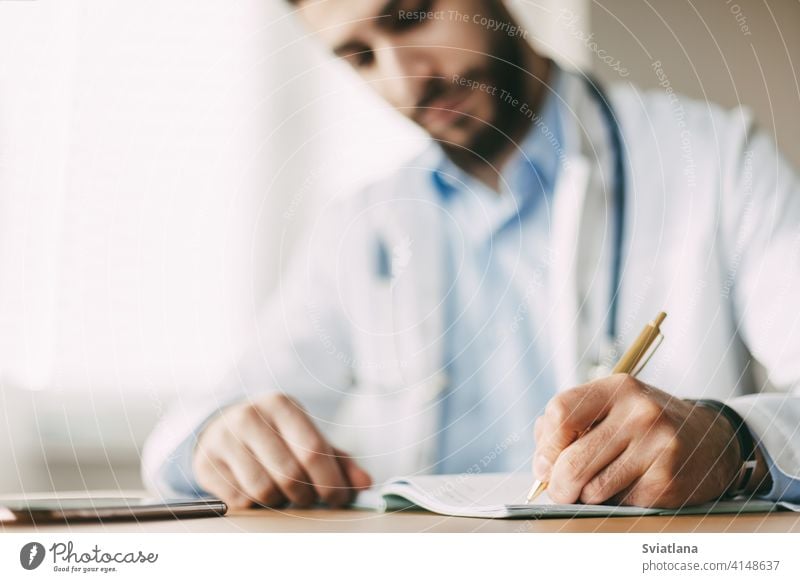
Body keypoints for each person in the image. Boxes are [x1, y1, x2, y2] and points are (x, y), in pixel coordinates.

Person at [142, 0, 800, 510]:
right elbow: (183, 435)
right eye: (360, 56)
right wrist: (217, 442)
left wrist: (735, 442)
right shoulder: (362, 227)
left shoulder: (715, 160)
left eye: (410, 16)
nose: (407, 80)